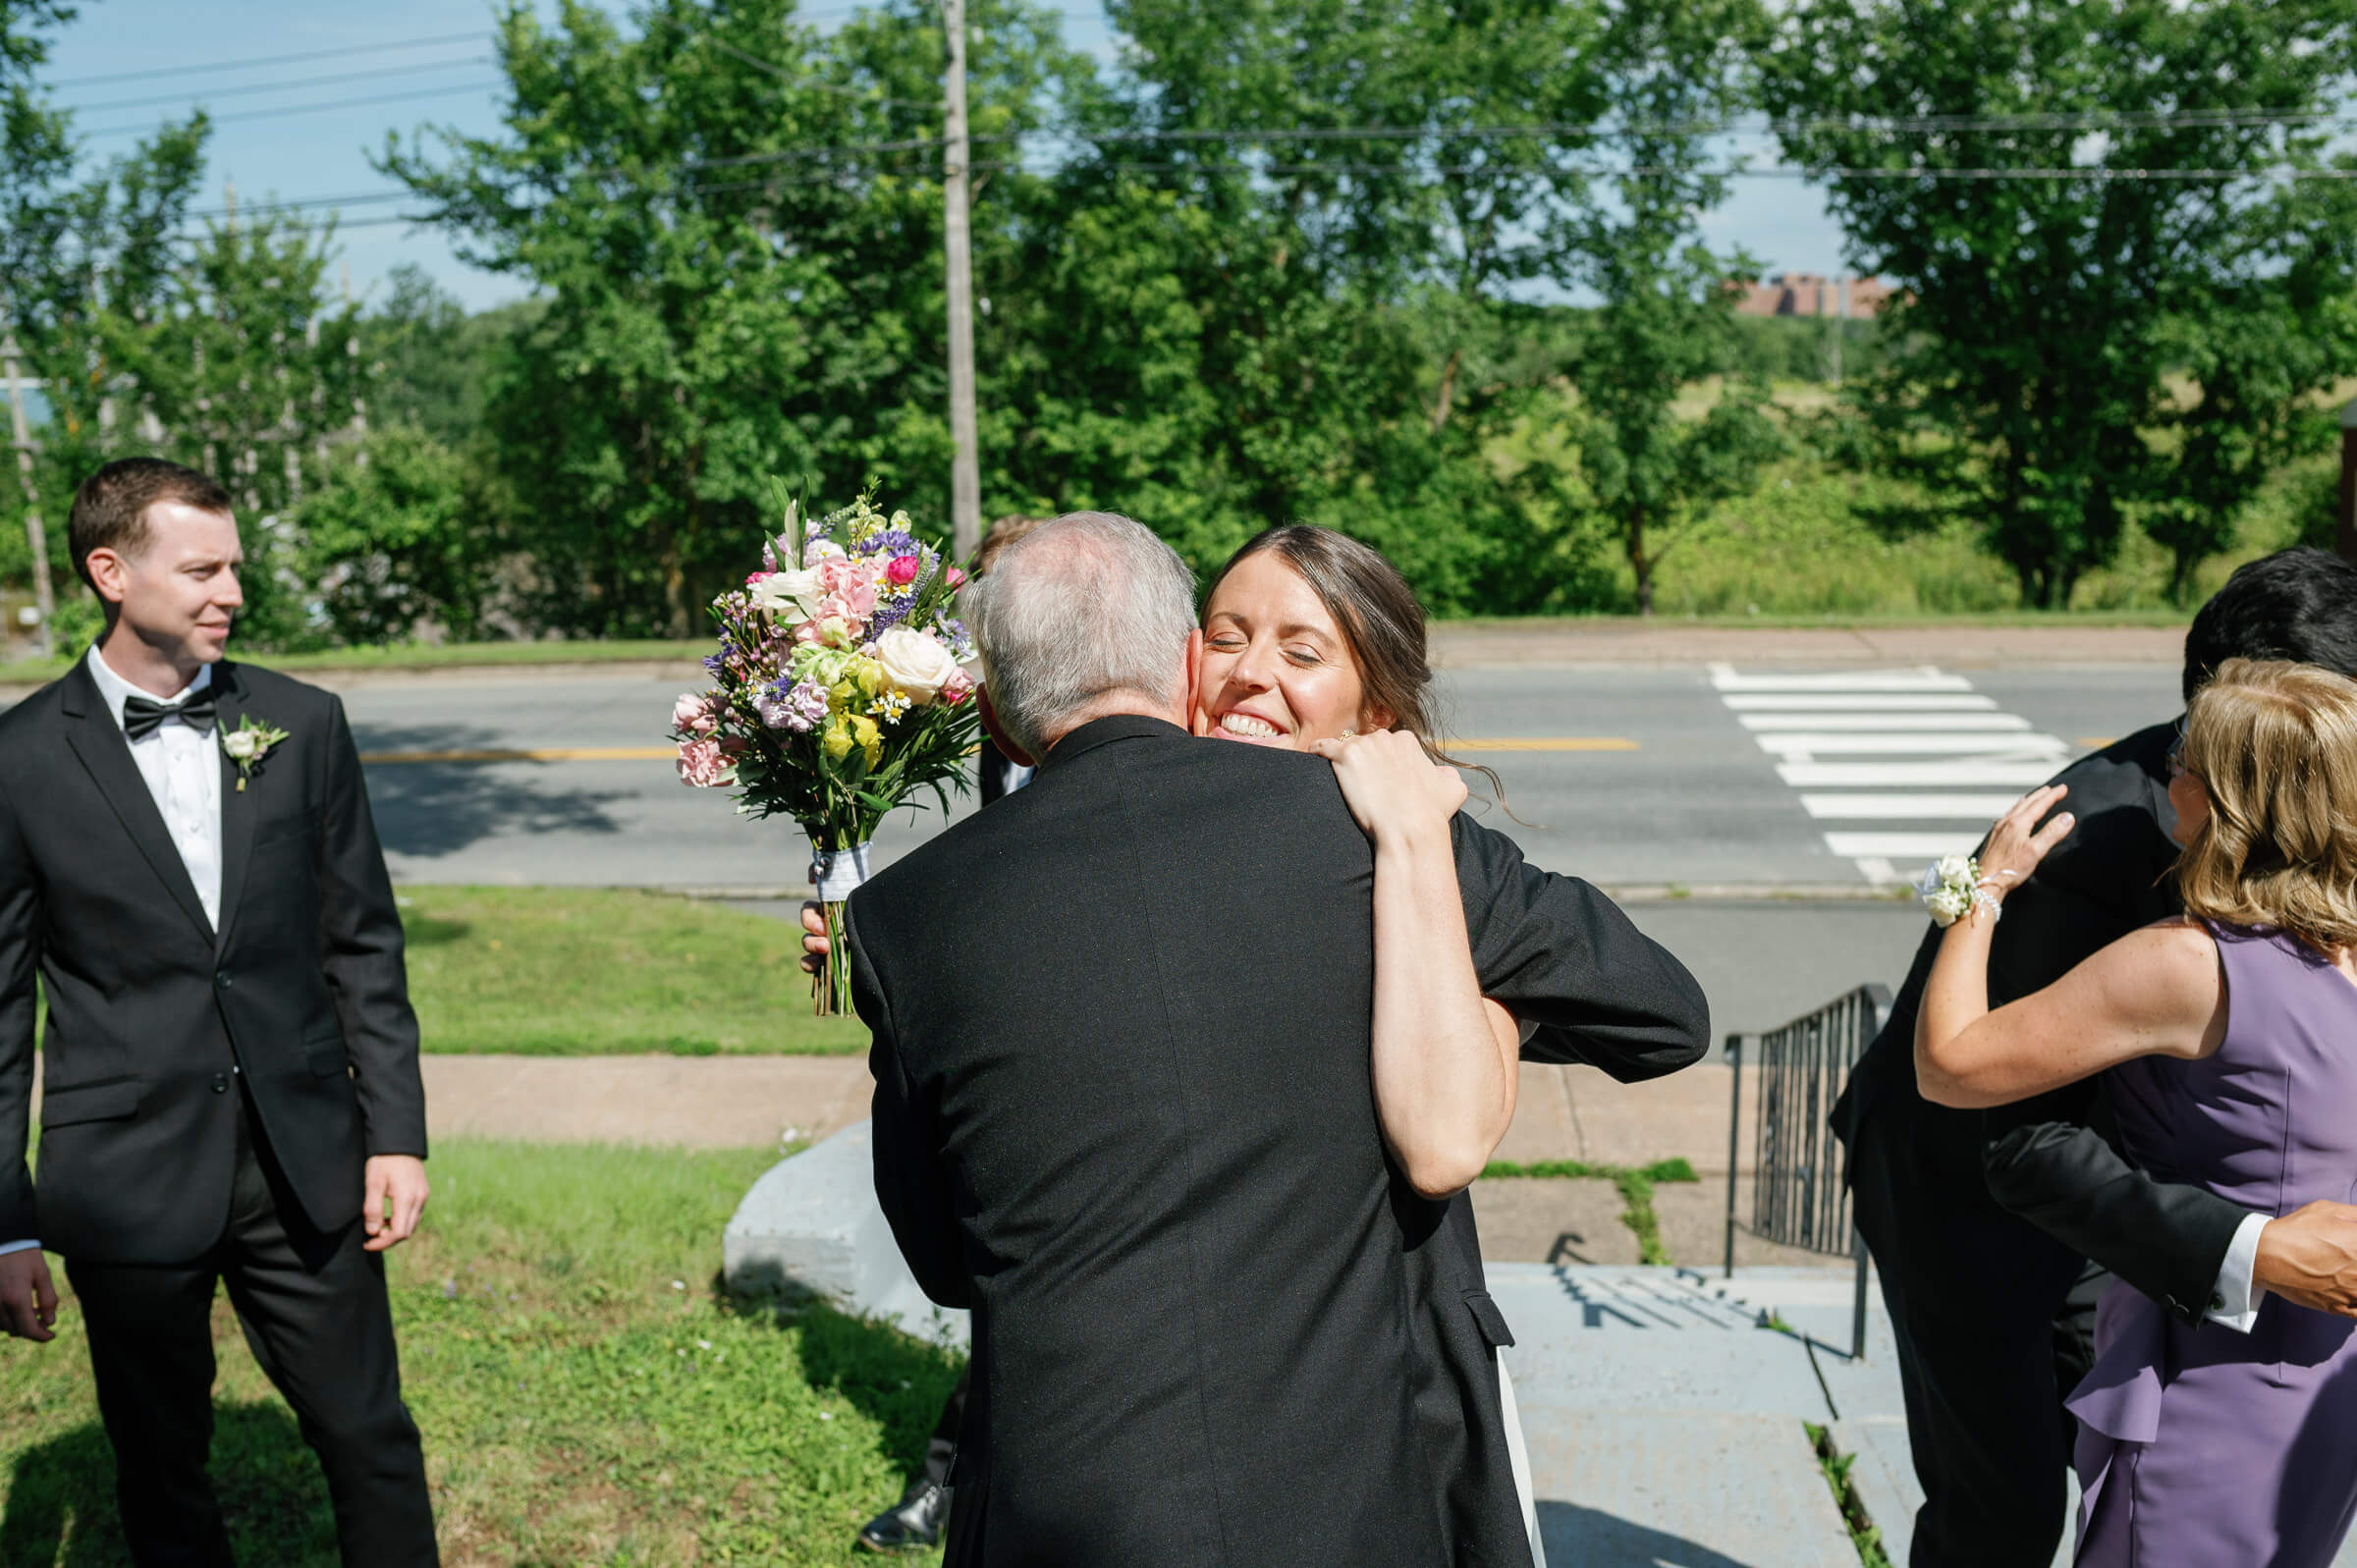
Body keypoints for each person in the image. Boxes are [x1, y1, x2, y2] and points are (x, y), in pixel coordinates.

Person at [845, 512, 1708, 1563]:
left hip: (1086, 1508)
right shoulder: (1370, 843)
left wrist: (1443, 960)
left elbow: (944, 1260)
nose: (1253, 674)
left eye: (1302, 651)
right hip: (1348, 1506)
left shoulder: (918, 911)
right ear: (1179, 658)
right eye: (1226, 634)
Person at [1833, 546, 2357, 1566]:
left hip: (2137, 1202)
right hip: (1970, 1199)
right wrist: (2247, 1247)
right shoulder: (2104, 843)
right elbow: (2017, 1137)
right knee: (2010, 1509)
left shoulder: (2317, 814)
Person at [0, 459, 438, 1566]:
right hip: (125, 1173)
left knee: (371, 1434)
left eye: (234, 566)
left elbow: (363, 947)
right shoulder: (16, 762)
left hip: (304, 1156)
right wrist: (5, 1221)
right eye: (201, 568)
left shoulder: (302, 722)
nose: (229, 591)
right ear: (111, 571)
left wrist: (394, 1132)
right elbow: (0, 1013)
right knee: (161, 1465)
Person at [850, 513, 1048, 1554]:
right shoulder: (980, 718)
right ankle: (961, 1482)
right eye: (981, 603)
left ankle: (951, 1484)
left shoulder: (1103, 705)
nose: (989, 623)